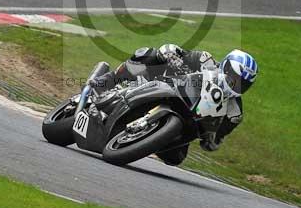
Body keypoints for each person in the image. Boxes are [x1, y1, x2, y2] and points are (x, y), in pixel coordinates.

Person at [90, 44, 258, 163]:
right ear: (226, 67)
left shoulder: (234, 113)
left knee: (176, 158)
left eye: (243, 84)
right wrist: (171, 53)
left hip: (185, 124)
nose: (237, 85)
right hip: (164, 87)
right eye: (235, 79)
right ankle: (105, 81)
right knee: (148, 54)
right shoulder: (205, 61)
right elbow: (175, 51)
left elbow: (214, 140)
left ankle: (141, 139)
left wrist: (211, 139)